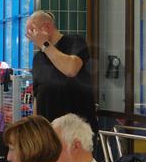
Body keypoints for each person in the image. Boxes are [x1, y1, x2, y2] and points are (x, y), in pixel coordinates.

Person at [25, 10, 98, 143]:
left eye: (32, 32)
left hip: (76, 131)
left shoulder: (75, 41)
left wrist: (45, 45)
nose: (31, 39)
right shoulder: (38, 58)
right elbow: (38, 95)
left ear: (46, 27)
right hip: (48, 132)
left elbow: (71, 69)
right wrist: (35, 128)